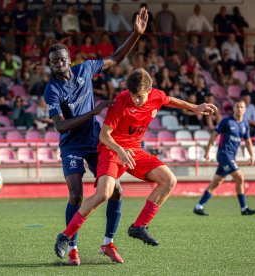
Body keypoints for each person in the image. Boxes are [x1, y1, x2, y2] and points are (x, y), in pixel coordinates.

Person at [54, 68, 217, 261]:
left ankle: (139, 226)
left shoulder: (156, 95)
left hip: (135, 151)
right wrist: (120, 151)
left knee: (169, 180)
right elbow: (104, 135)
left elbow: (170, 100)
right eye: (133, 96)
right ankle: (65, 235)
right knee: (104, 194)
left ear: (149, 90)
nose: (136, 100)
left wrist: (195, 107)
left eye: (140, 97)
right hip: (112, 151)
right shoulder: (121, 101)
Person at [45, 7, 149, 266]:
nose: (58, 63)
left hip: (94, 143)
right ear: (50, 64)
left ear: (69, 59)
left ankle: (107, 243)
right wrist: (94, 111)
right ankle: (72, 249)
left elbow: (115, 57)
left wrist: (135, 35)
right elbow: (61, 126)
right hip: (71, 147)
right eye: (53, 61)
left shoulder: (85, 70)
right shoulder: (51, 90)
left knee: (116, 192)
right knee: (75, 196)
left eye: (62, 59)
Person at [193, 100, 255, 216]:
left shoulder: (245, 124)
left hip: (231, 157)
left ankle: (199, 206)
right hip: (223, 155)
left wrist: (252, 155)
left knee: (216, 182)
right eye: (237, 107)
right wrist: (207, 151)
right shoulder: (226, 121)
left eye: (241, 107)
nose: (239, 109)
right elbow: (214, 135)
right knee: (240, 177)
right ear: (233, 109)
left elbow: (248, 141)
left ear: (245, 109)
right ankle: (244, 208)